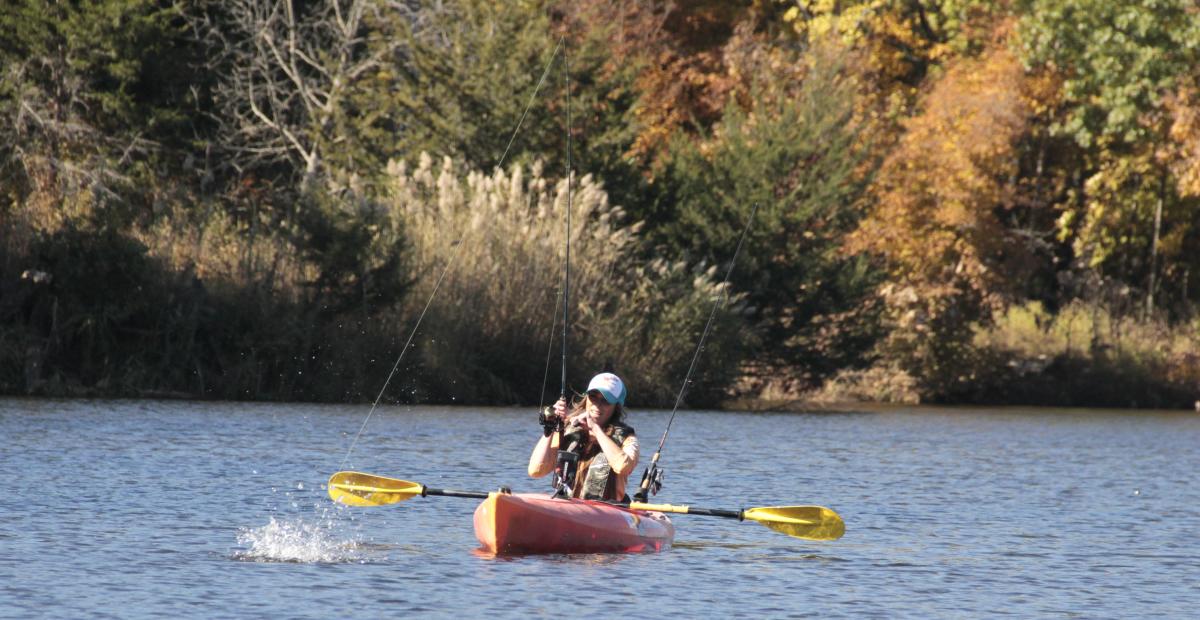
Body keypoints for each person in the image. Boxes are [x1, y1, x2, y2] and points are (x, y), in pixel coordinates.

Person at [528, 372, 639, 502]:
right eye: (593, 397)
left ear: (616, 407)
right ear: (586, 398)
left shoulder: (629, 439)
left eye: (606, 401)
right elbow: (536, 470)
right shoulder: (568, 431)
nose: (597, 405)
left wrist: (595, 429)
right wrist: (550, 428)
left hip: (607, 512)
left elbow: (623, 466)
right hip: (569, 507)